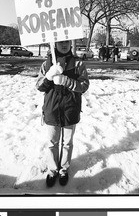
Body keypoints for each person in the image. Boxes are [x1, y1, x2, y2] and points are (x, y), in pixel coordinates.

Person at [36, 40, 89, 187]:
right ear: (54, 44)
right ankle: (53, 170)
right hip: (52, 110)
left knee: (67, 143)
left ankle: (64, 170)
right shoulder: (47, 64)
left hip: (70, 110)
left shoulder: (78, 64)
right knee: (52, 143)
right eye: (60, 41)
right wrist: (48, 76)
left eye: (67, 41)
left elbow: (84, 86)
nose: (64, 44)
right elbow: (39, 86)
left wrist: (67, 81)